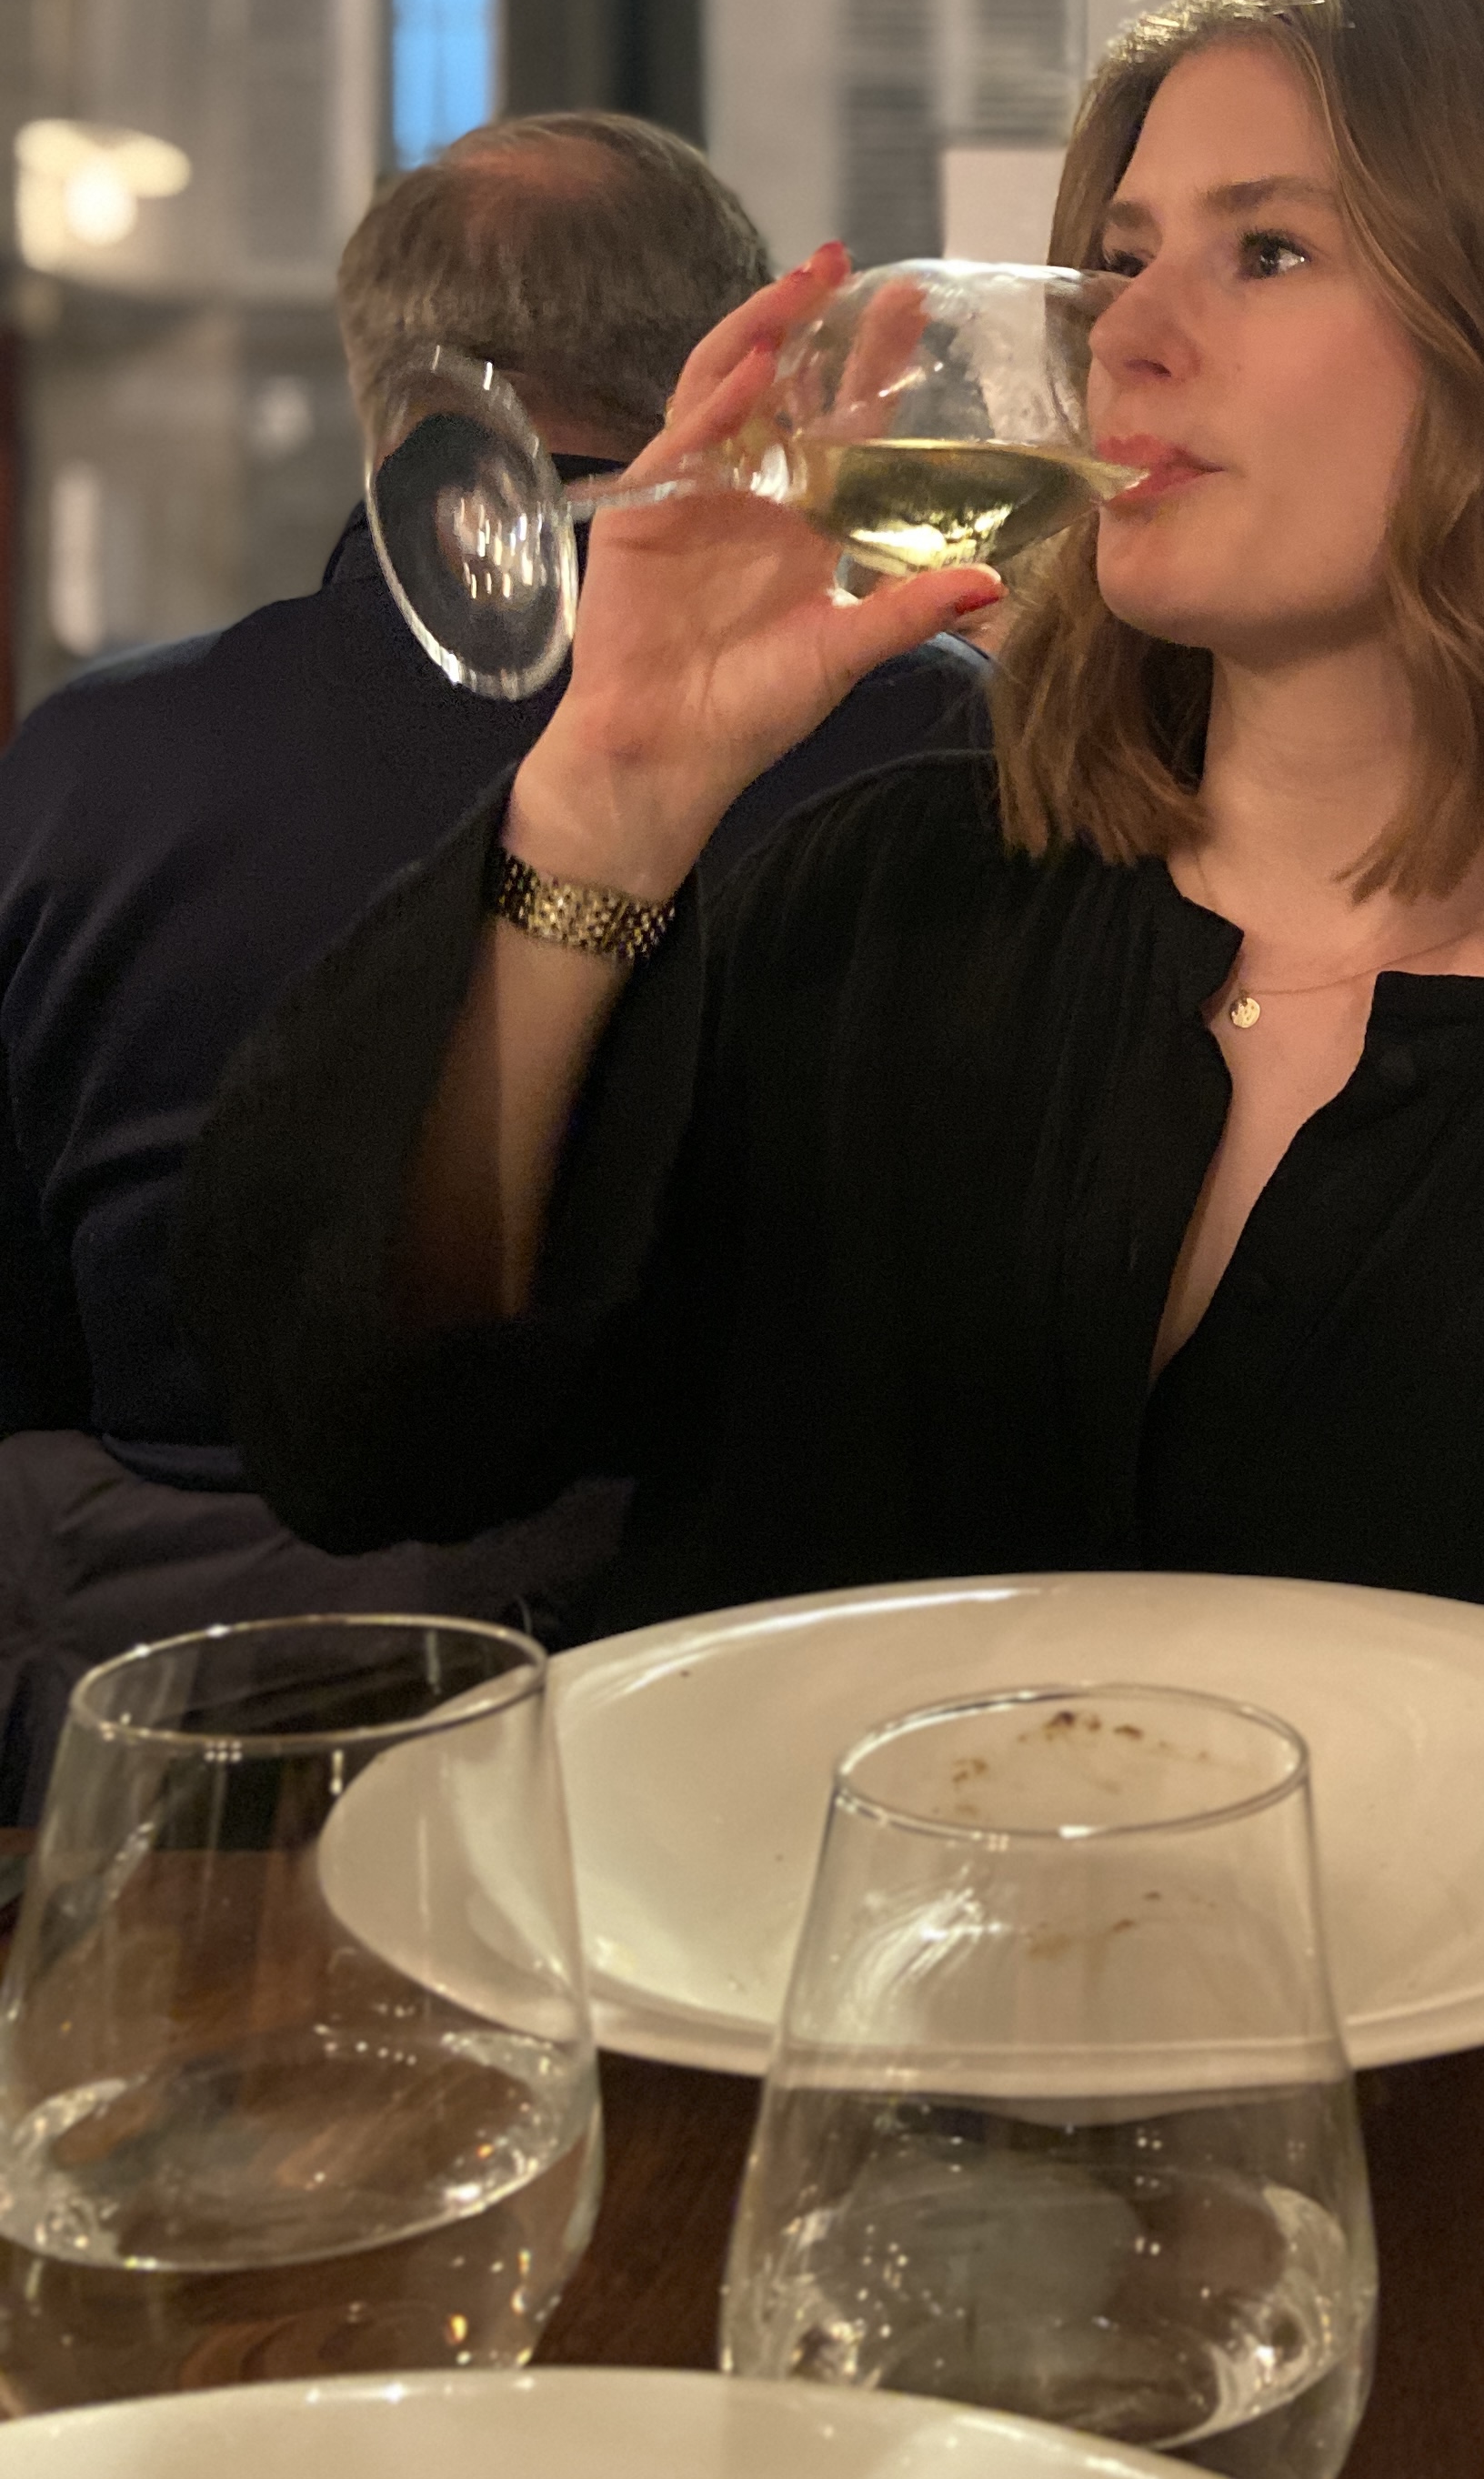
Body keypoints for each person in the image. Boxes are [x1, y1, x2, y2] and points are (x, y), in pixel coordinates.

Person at [184, 0, 1484, 1841]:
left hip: (1449, 2037)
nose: (1128, 335)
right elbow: (362, 1431)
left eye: (1266, 251)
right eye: (1121, 262)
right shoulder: (889, 902)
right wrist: (607, 796)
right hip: (775, 2006)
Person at [0, 111, 988, 1815]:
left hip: (165, 1747)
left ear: (390, 388)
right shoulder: (930, 738)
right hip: (770, 1737)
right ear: (719, 364)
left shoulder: (92, 762)